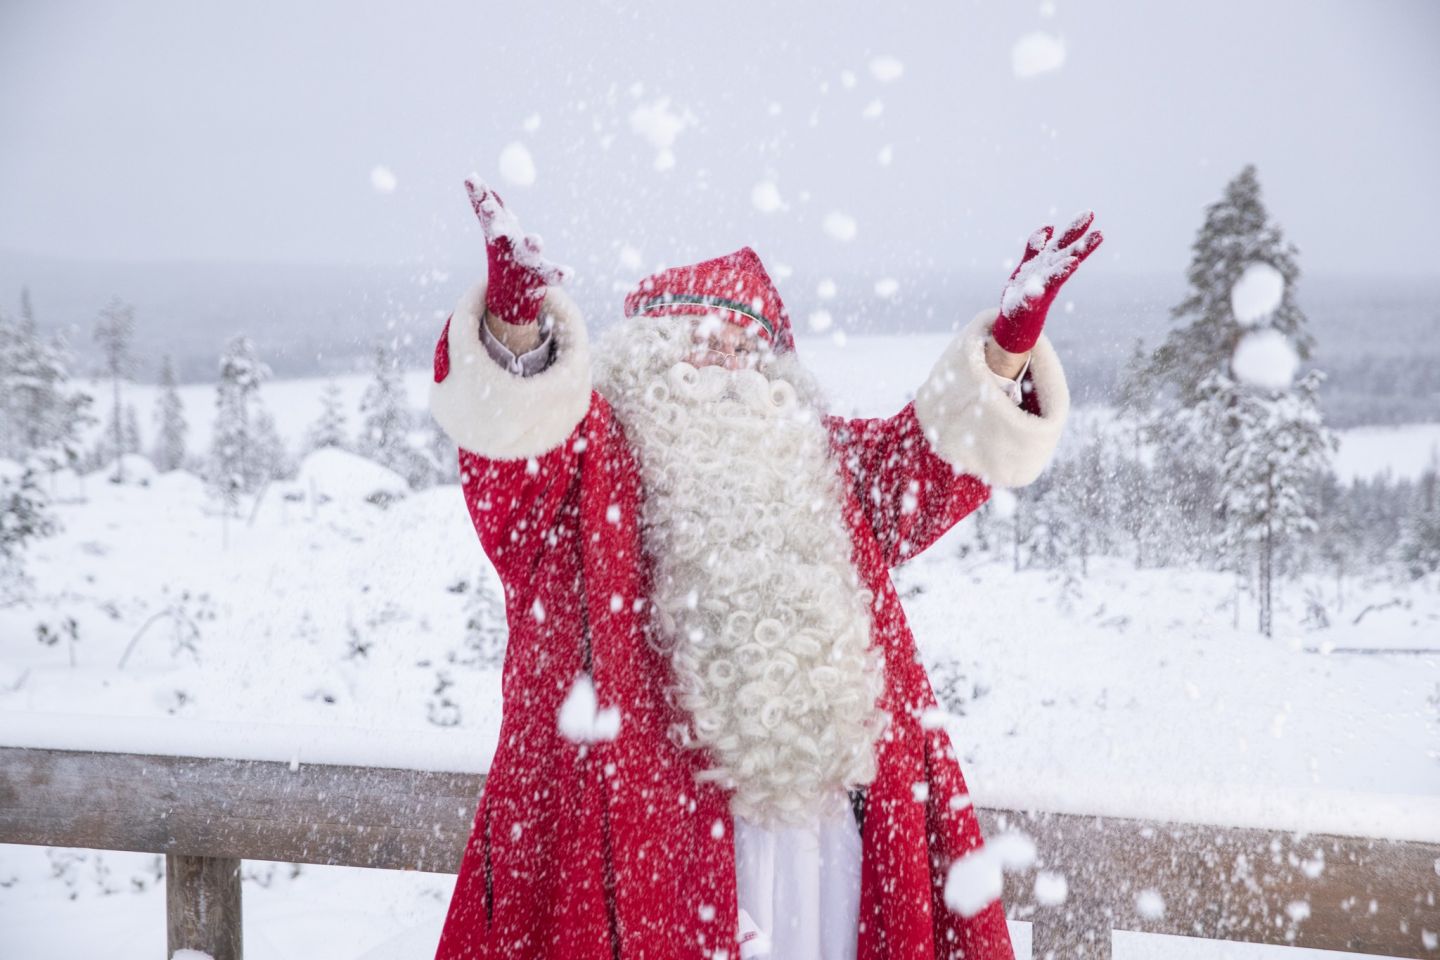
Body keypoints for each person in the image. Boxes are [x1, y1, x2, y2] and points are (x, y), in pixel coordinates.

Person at [429, 178, 1101, 960]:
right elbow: (512, 463)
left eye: (743, 345)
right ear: (643, 359)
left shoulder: (827, 470)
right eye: (691, 340)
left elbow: (934, 463)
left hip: (835, 866)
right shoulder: (587, 476)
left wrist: (1005, 350)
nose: (719, 360)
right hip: (659, 873)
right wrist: (513, 331)